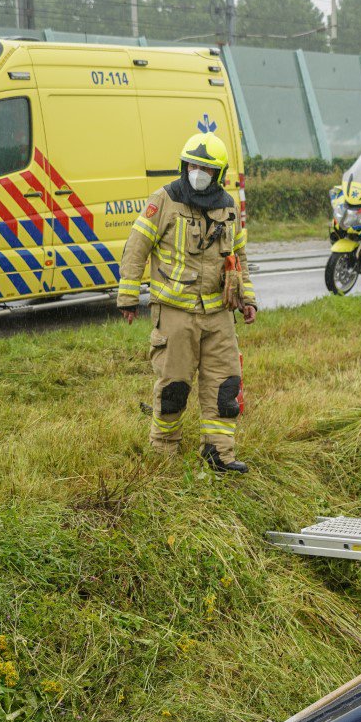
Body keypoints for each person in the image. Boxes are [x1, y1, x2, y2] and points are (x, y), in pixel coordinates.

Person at [117, 132, 258, 474]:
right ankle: (163, 452)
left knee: (225, 386)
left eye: (205, 167)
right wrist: (128, 295)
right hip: (176, 314)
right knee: (174, 387)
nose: (197, 172)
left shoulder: (227, 207)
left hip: (219, 315)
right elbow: (136, 248)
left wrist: (247, 298)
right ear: (184, 165)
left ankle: (219, 455)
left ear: (218, 173)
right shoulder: (163, 200)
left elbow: (239, 256)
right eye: (192, 165)